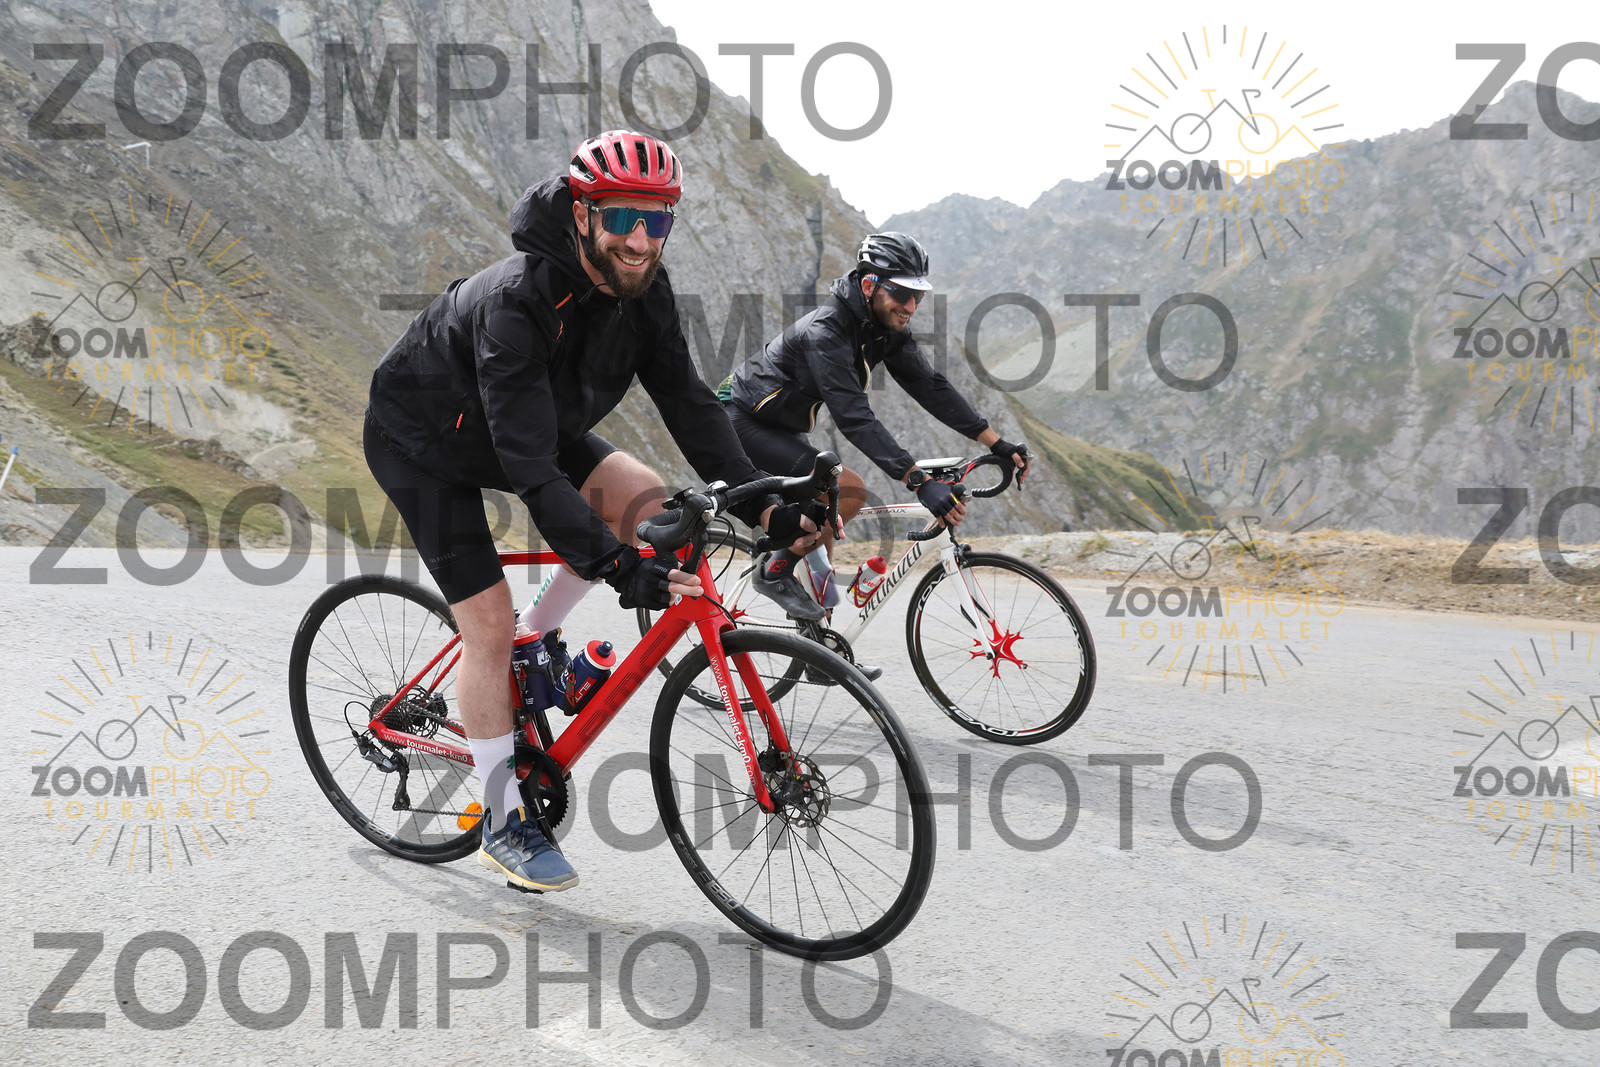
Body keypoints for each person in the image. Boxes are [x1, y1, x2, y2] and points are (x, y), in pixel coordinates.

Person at [364, 130, 824, 895]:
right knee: (487, 624)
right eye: (621, 218)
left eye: (658, 219)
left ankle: (535, 641)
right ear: (582, 214)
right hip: (422, 443)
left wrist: (763, 503)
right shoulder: (517, 301)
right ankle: (503, 818)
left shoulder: (647, 290)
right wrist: (617, 567)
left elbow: (689, 403)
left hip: (532, 423)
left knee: (642, 495)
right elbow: (530, 468)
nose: (640, 240)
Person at [722, 231, 1030, 629]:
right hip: (741, 418)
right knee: (848, 491)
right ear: (869, 286)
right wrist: (917, 481)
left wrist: (996, 442)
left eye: (918, 295)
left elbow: (930, 386)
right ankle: (774, 570)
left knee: (823, 521)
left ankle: (818, 640)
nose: (911, 306)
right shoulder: (826, 331)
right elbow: (854, 418)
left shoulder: (881, 326)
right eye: (902, 294)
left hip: (781, 425)